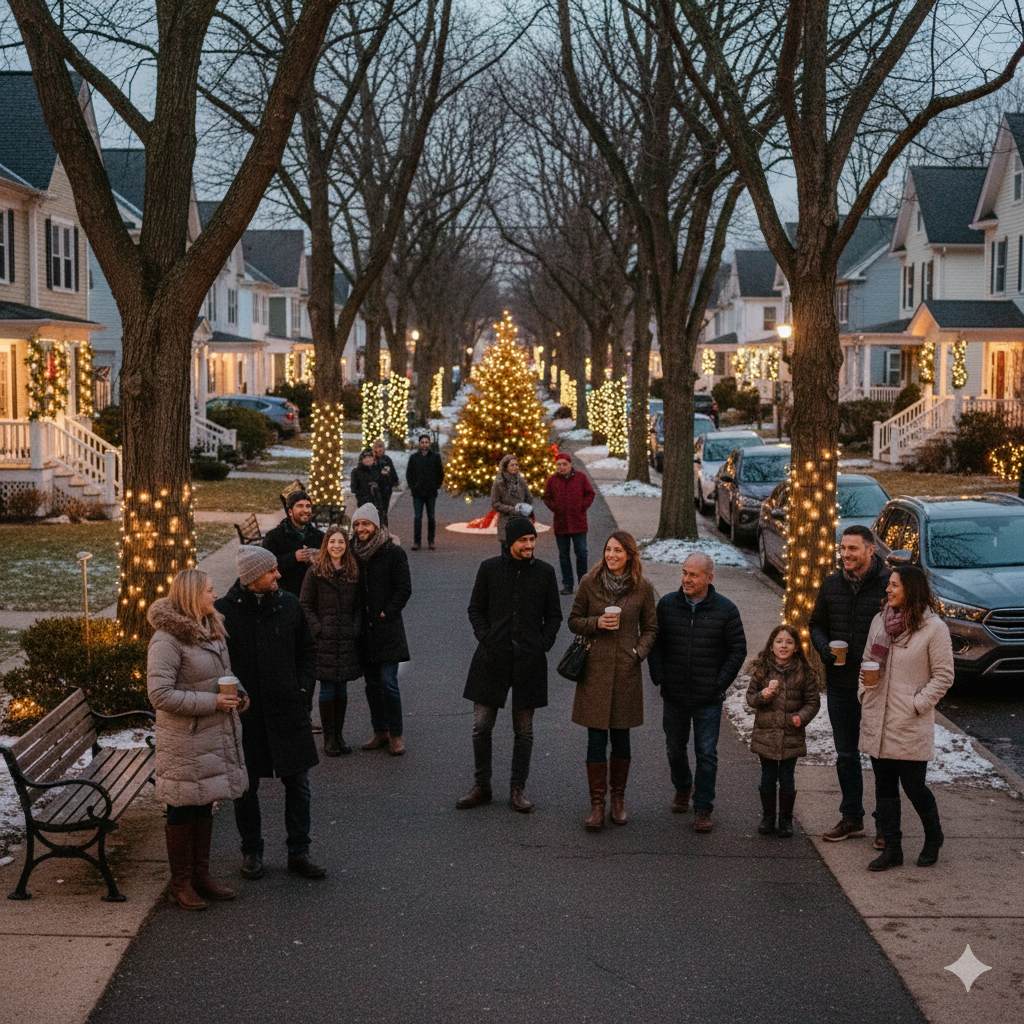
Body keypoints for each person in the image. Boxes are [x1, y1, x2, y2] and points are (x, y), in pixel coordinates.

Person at [216, 545, 326, 881]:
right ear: (251, 578)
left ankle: (299, 851)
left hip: (289, 710)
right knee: (246, 787)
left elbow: (308, 651)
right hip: (248, 716)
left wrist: (303, 689)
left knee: (299, 784)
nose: (278, 575)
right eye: (271, 571)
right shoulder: (224, 612)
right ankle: (252, 851)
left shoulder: (289, 604)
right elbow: (218, 663)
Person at [147, 570, 248, 910]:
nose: (214, 594)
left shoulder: (212, 628)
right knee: (181, 806)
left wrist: (239, 693)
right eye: (208, 590)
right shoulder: (167, 639)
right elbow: (159, 694)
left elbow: (223, 675)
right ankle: (181, 883)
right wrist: (212, 703)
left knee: (205, 801)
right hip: (185, 740)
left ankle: (201, 875)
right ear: (192, 596)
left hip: (210, 735)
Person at [457, 516, 562, 813]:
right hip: (491, 657)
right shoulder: (489, 569)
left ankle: (518, 789)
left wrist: (544, 642)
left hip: (529, 660)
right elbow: (475, 608)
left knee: (524, 730)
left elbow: (554, 616)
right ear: (510, 542)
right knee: (481, 726)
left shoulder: (545, 573)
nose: (529, 545)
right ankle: (482, 786)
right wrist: (486, 637)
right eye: (523, 541)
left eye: (532, 540)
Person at [858, 564, 954, 871]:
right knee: (884, 787)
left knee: (914, 787)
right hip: (878, 716)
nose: (888, 589)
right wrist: (864, 690)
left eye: (894, 585)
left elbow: (943, 676)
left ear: (910, 590)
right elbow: (866, 661)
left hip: (909, 721)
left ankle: (933, 836)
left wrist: (918, 704)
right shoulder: (879, 621)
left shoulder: (933, 628)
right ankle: (893, 848)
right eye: (888, 584)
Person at [648, 552, 746, 832]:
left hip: (708, 698)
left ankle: (703, 807)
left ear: (709, 578)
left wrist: (719, 683)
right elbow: (655, 642)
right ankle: (682, 786)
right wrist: (659, 675)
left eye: (693, 575)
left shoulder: (726, 610)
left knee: (706, 754)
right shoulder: (667, 605)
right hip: (674, 694)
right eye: (684, 573)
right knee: (674, 749)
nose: (686, 579)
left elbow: (737, 649)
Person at [567, 532, 657, 831]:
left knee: (621, 738)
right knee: (595, 739)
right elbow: (574, 620)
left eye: (618, 550)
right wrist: (596, 623)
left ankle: (618, 801)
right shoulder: (589, 582)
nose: (611, 555)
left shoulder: (642, 588)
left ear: (630, 555)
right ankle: (597, 805)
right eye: (608, 550)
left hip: (626, 671)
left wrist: (637, 653)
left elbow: (651, 628)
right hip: (595, 671)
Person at [809, 524, 890, 845]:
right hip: (841, 683)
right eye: (842, 549)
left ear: (871, 550)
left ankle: (886, 823)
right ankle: (852, 817)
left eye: (852, 549)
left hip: (875, 687)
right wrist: (824, 647)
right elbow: (816, 623)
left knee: (881, 756)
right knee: (846, 755)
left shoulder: (889, 585)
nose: (845, 555)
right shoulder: (831, 584)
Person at [745, 624, 821, 838]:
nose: (784, 646)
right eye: (779, 641)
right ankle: (768, 817)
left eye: (789, 642)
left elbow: (813, 702)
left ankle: (785, 819)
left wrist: (801, 717)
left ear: (796, 647)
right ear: (771, 646)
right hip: (766, 735)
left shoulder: (804, 672)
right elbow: (751, 698)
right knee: (768, 776)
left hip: (791, 736)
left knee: (787, 777)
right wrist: (763, 695)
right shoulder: (762, 669)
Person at [350, 502, 412, 756]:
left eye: (365, 523)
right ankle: (380, 731)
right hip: (363, 630)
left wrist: (387, 612)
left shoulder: (393, 552)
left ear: (375, 525)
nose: (360, 528)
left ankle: (396, 734)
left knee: (388, 682)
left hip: (387, 628)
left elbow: (404, 589)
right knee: (372, 684)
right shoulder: (352, 552)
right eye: (356, 524)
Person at [300, 525, 363, 757]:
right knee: (327, 688)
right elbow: (304, 604)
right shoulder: (315, 571)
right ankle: (329, 739)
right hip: (324, 639)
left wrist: (355, 628)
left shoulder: (352, 571)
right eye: (333, 542)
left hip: (346, 637)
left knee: (342, 689)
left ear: (346, 546)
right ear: (326, 544)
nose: (337, 546)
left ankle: (339, 734)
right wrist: (318, 628)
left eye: (342, 542)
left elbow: (358, 606)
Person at [543, 452, 596, 596]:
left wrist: (582, 506)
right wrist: (555, 507)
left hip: (578, 522)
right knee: (564, 555)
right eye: (559, 464)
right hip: (561, 523)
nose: (561, 467)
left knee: (581, 553)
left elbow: (590, 493)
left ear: (570, 464)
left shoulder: (581, 477)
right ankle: (567, 584)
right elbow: (547, 497)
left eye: (564, 464)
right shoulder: (553, 480)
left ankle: (583, 583)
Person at [261, 491, 325, 598]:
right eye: (300, 506)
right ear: (290, 512)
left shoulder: (320, 536)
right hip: (283, 596)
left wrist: (320, 556)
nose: (305, 510)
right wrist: (294, 557)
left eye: (308, 506)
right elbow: (264, 566)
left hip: (313, 597)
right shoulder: (274, 536)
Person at [406, 433, 445, 550]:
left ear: (429, 443)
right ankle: (416, 542)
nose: (424, 444)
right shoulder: (414, 458)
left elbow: (440, 474)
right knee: (418, 517)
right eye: (422, 442)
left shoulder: (435, 457)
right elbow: (409, 474)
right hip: (417, 493)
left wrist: (436, 486)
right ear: (419, 444)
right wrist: (413, 486)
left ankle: (431, 540)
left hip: (431, 492)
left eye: (426, 442)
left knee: (431, 517)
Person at [490, 453, 533, 553]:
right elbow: (495, 503)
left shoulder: (521, 480)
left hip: (522, 521)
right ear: (505, 467)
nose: (515, 467)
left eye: (516, 465)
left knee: (522, 553)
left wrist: (526, 508)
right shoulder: (499, 483)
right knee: (507, 555)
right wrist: (512, 510)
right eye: (512, 465)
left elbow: (529, 497)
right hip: (506, 523)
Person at [351, 449, 384, 522]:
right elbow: (354, 488)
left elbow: (383, 486)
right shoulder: (356, 472)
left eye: (370, 458)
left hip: (377, 503)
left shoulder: (377, 471)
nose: (368, 460)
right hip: (363, 503)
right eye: (365, 458)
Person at [372, 439, 397, 527]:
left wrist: (393, 483)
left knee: (383, 511)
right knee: (375, 510)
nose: (379, 450)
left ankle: (383, 529)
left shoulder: (386, 460)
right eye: (377, 447)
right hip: (374, 489)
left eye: (381, 447)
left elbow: (392, 474)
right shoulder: (371, 460)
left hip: (385, 489)